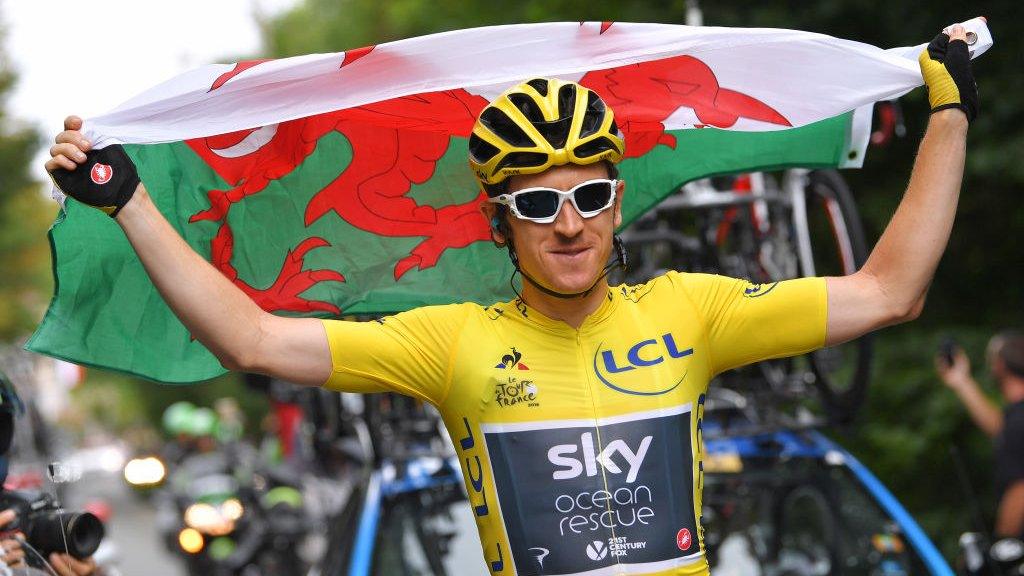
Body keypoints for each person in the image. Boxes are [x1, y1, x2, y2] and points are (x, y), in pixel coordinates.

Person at [45, 25, 977, 575]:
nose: (567, 224)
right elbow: (250, 337)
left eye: (590, 196)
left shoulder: (694, 311)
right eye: (537, 203)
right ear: (500, 222)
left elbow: (890, 292)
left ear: (618, 206)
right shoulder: (452, 344)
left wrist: (948, 116)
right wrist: (127, 200)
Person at [937, 331, 1024, 539]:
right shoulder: (1016, 418)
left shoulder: (1018, 423)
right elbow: (999, 428)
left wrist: (1002, 548)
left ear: (1000, 365)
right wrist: (961, 381)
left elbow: (1020, 490)